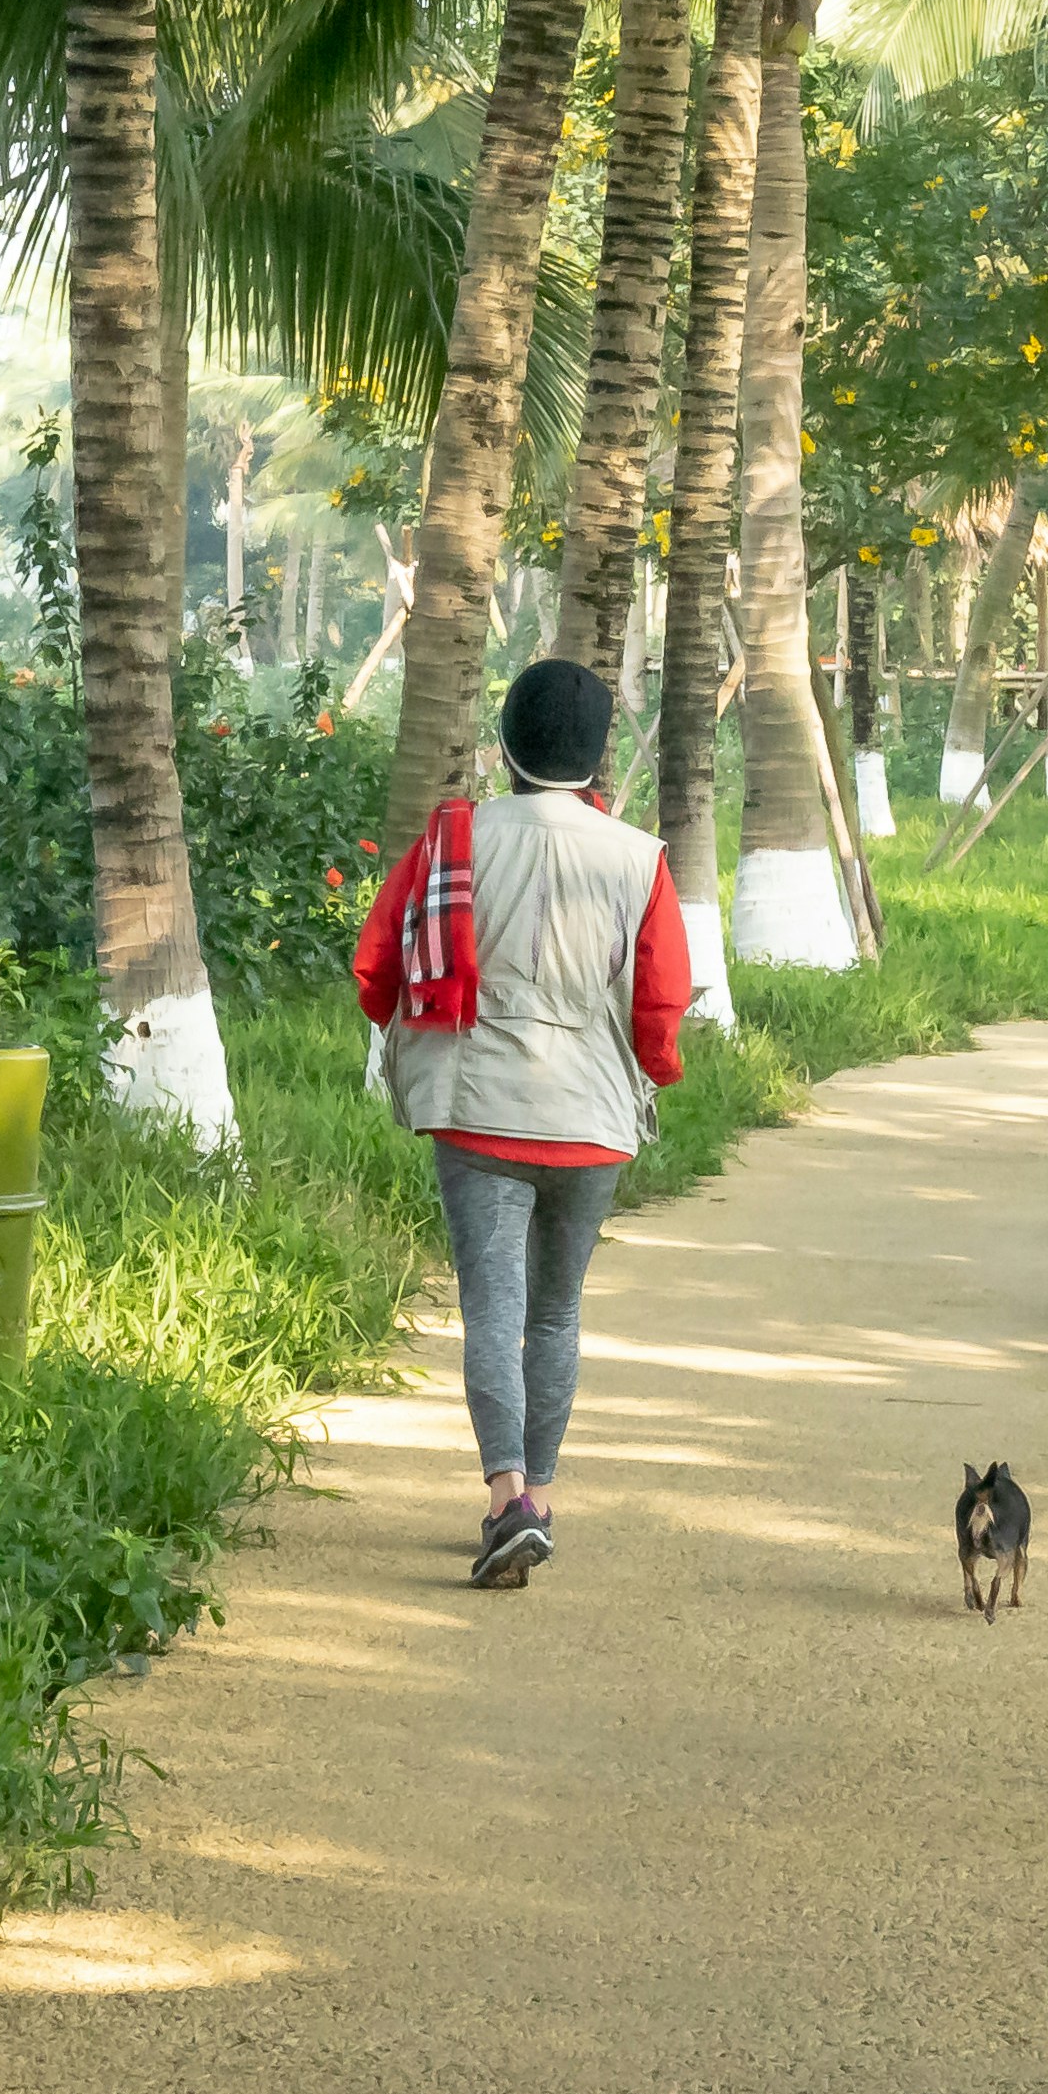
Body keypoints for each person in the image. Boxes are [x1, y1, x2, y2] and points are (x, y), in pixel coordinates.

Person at [351, 654, 691, 1586]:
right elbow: (660, 1009)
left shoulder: (453, 840)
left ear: (504, 745)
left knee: (492, 1311)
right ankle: (537, 1492)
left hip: (476, 1115)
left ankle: (508, 1497)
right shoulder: (638, 858)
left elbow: (377, 966)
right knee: (557, 1313)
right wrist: (651, 1073)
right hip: (590, 1127)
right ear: (597, 758)